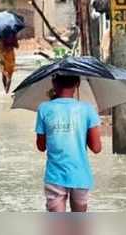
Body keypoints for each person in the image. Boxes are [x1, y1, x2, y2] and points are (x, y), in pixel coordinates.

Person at [35, 74, 102, 212]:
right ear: (77, 84)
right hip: (80, 176)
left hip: (55, 176)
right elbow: (96, 148)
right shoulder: (87, 109)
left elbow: (41, 147)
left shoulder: (44, 108)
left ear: (53, 83)